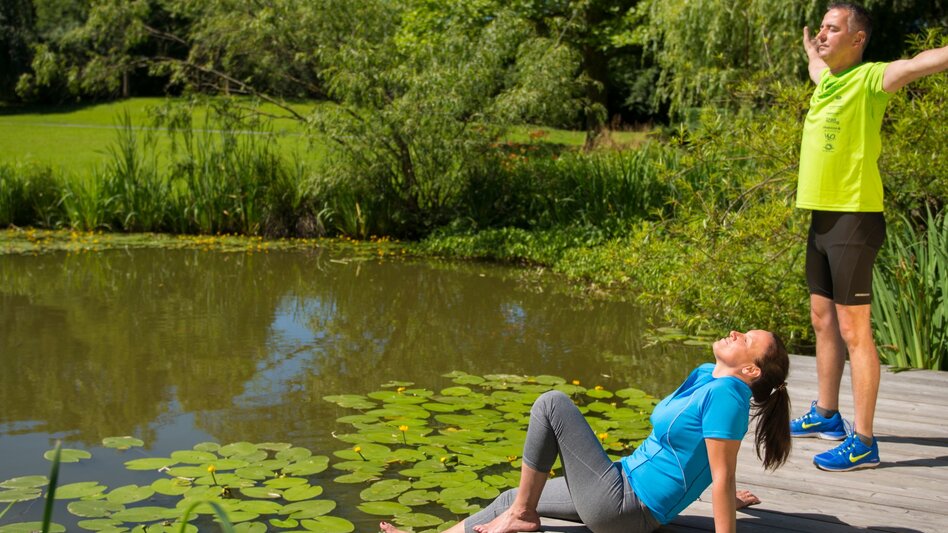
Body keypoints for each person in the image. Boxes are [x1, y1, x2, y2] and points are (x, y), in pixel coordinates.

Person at [380, 329, 791, 533]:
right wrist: (718, 488)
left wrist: (722, 493)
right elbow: (696, 452)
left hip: (627, 507)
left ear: (750, 370)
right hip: (622, 484)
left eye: (747, 339)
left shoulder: (729, 395)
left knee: (552, 404)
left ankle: (522, 515)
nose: (736, 332)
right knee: (510, 494)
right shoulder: (707, 376)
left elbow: (721, 473)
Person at [791, 2, 948, 472]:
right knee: (822, 319)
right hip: (821, 216)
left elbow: (922, 63)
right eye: (820, 27)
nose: (822, 34)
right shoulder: (829, 80)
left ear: (858, 40)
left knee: (854, 329)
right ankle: (826, 415)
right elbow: (819, 66)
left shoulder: (871, 79)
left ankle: (863, 441)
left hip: (854, 218)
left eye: (832, 29)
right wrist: (812, 51)